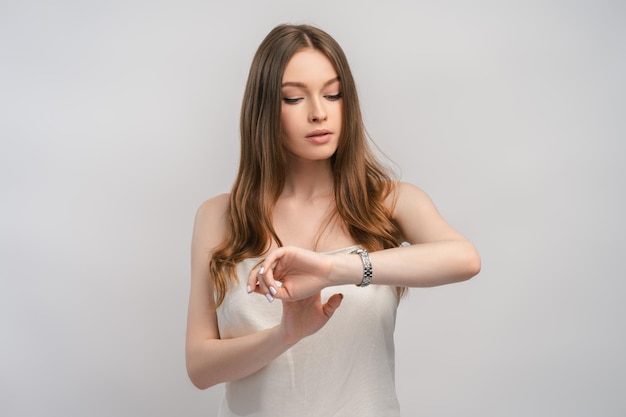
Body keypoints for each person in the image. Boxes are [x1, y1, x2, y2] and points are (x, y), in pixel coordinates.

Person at [185, 23, 481, 417]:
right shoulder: (219, 216)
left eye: (333, 93)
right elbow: (200, 368)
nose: (319, 112)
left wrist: (332, 270)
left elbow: (465, 259)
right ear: (265, 109)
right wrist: (286, 334)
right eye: (294, 98)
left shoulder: (390, 203)